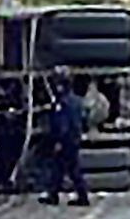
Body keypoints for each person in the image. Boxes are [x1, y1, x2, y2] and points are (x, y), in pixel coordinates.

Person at [39, 69, 91, 208]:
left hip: (66, 139)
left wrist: (58, 140)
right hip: (74, 138)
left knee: (68, 168)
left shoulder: (63, 103)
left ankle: (80, 195)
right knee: (61, 168)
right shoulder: (77, 101)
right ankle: (54, 193)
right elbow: (84, 120)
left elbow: (62, 123)